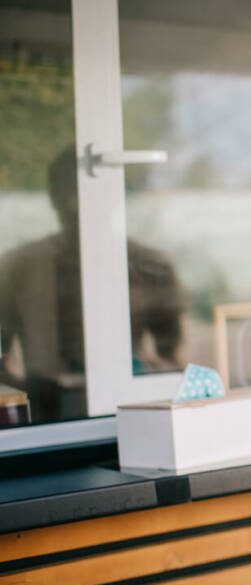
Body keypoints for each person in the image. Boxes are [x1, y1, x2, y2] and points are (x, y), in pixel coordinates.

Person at [0, 146, 185, 422]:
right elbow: (2, 362)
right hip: (44, 416)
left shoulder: (151, 267)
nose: (77, 204)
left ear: (116, 197)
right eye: (67, 192)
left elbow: (173, 361)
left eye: (84, 193)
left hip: (134, 412)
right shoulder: (18, 267)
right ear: (54, 197)